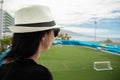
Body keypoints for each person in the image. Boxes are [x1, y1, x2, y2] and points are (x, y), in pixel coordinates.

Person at [0, 5, 62, 80]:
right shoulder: (40, 74)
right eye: (55, 32)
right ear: (44, 36)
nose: (54, 37)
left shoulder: (3, 69)